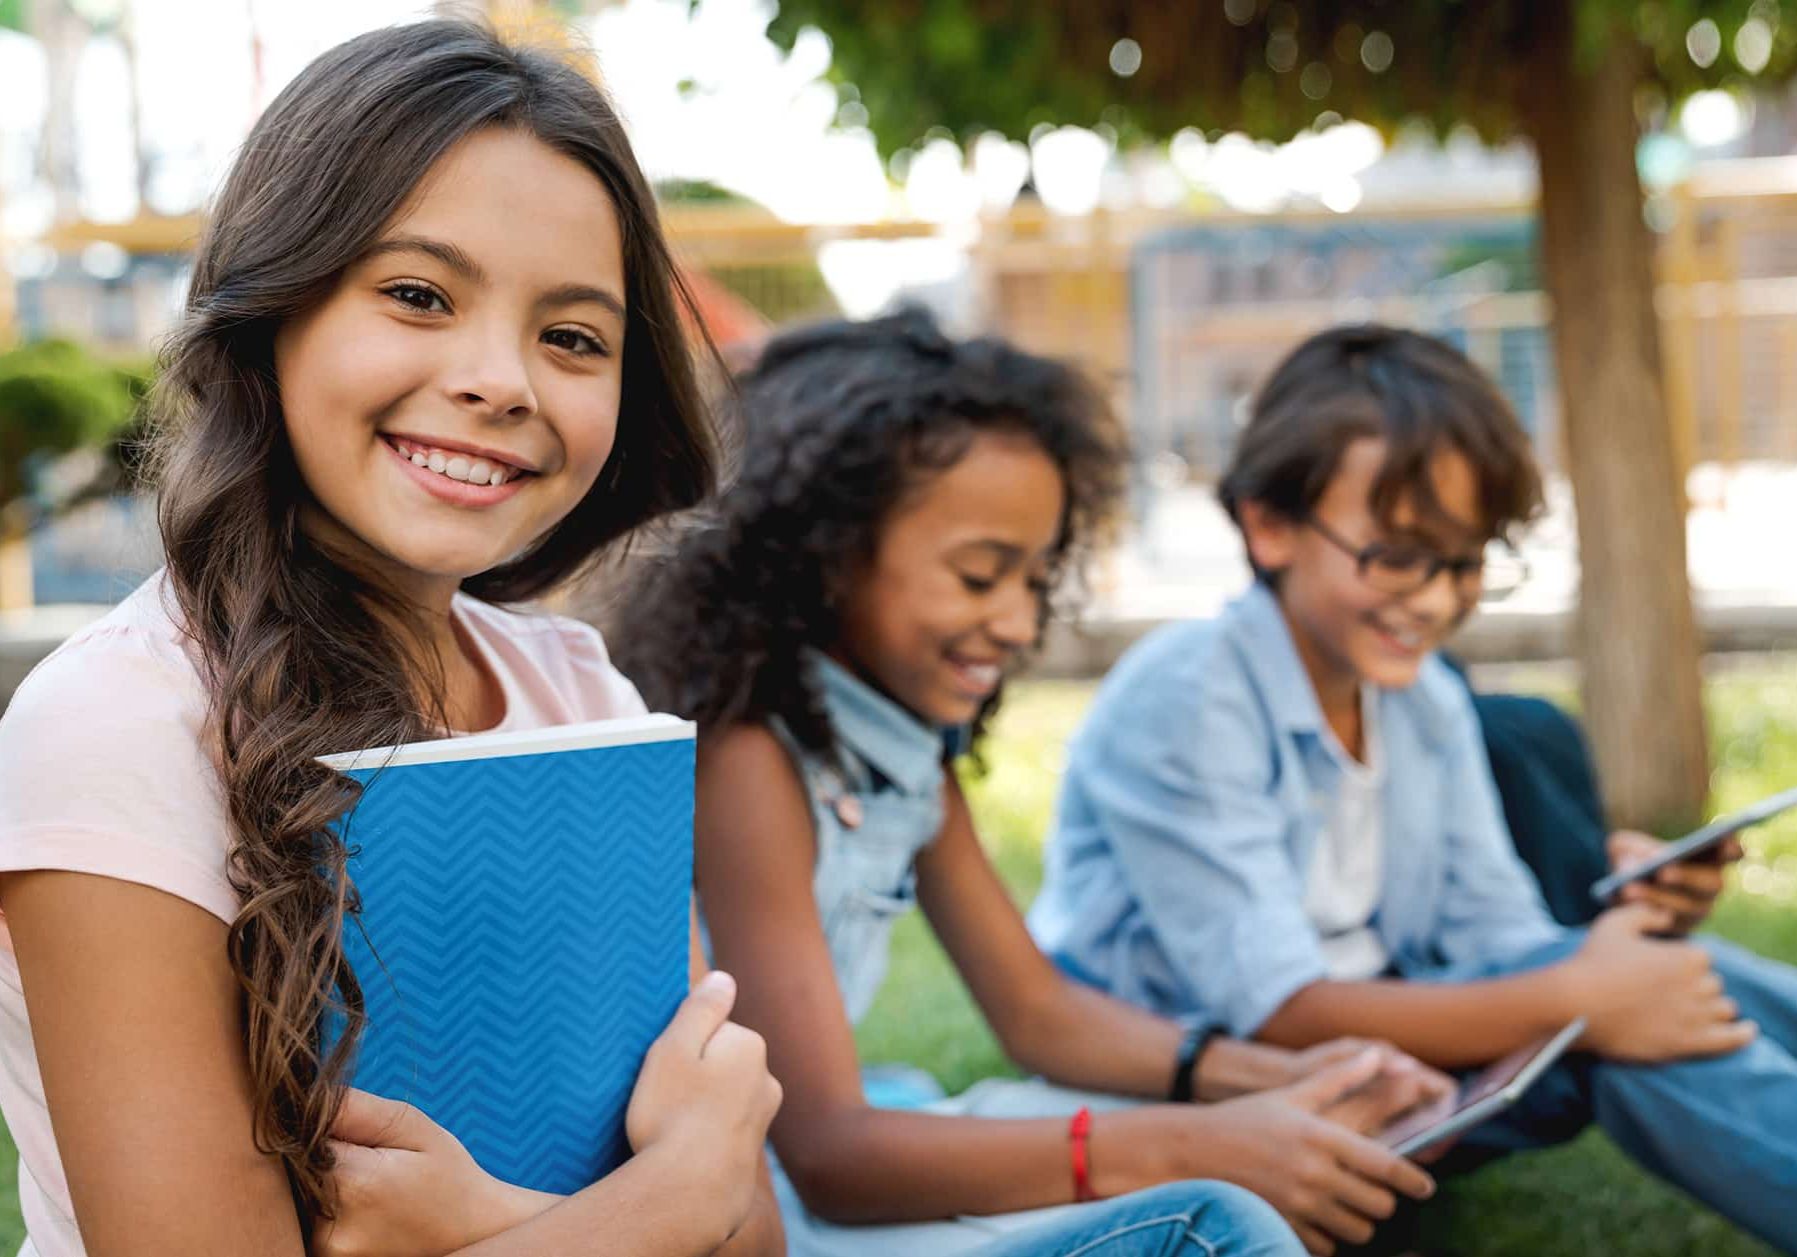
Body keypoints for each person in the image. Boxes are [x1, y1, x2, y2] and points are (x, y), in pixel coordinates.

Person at [0, 22, 783, 1257]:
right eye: (418, 296)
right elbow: (708, 1209)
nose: (502, 380)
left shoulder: (579, 692)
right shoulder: (118, 724)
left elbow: (759, 1240)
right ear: (272, 309)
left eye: (573, 337)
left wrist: (491, 1226)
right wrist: (676, 1195)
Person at [619, 310, 1452, 1257]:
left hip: (835, 1171)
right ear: (825, 553)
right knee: (1216, 1220)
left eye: (1036, 578)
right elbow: (828, 1152)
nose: (1019, 622)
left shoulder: (904, 750)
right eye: (980, 577)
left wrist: (1284, 1078)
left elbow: (1035, 1011)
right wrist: (1198, 1143)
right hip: (761, 1214)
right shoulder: (749, 762)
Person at [1029, 323, 1797, 1251]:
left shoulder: (1423, 699)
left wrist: (1608, 959)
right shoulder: (1187, 695)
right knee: (1626, 1022)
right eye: (1397, 554)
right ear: (1268, 524)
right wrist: (1587, 997)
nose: (1433, 599)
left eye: (1464, 560)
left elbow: (1497, 936)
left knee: (1677, 985)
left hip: (1390, 1056)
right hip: (1213, 1089)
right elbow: (1279, 1008)